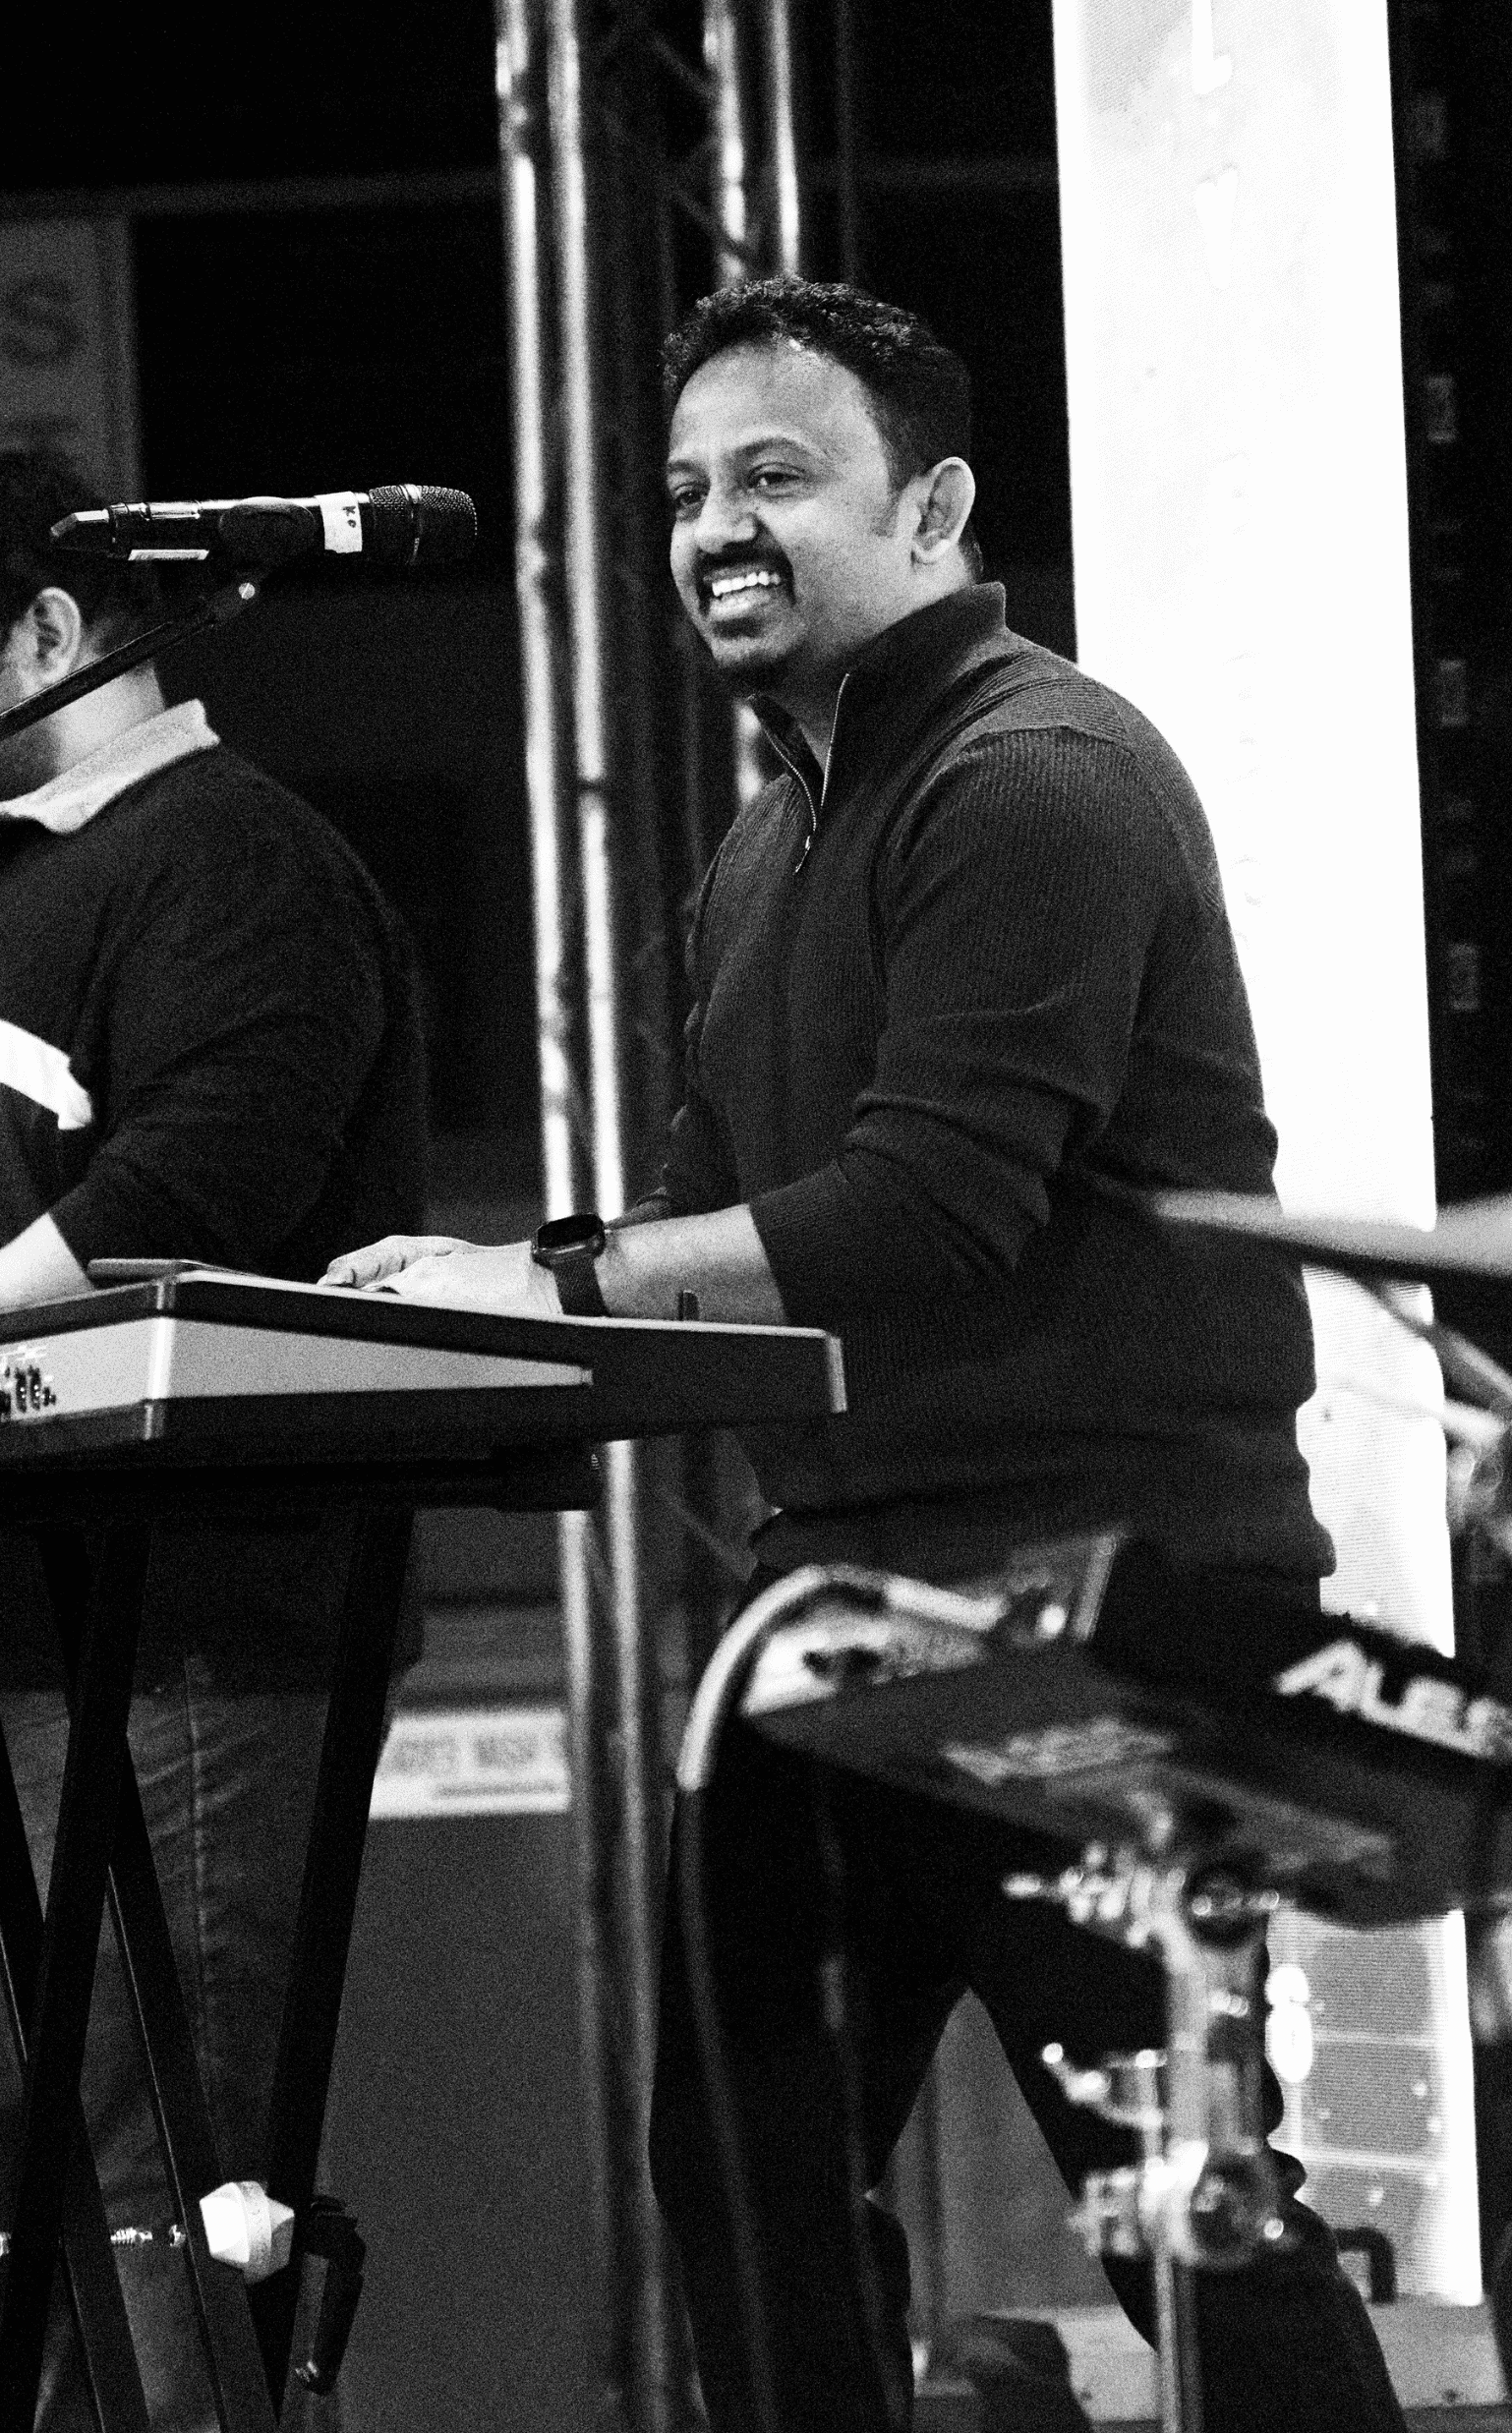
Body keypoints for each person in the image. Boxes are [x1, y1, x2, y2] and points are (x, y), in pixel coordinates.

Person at [326, 280, 1407, 2431]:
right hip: (847, 1605)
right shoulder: (757, 850)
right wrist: (455, 1319)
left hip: (1105, 1600)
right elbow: (705, 1245)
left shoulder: (1036, 773)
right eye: (684, 490)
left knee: (1173, 2203)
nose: (717, 525)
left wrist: (536, 1276)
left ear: (933, 507)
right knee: (741, 2177)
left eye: (778, 475)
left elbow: (923, 1216)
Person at [0, 447, 428, 2427]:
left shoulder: (235, 858)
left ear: (53, 631)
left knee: (155, 2160)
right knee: (55, 2165)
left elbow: (203, 1179)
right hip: (40, 1619)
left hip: (198, 1624)